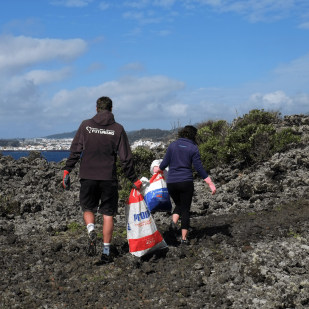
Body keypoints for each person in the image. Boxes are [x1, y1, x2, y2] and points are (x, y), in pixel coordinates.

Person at [62, 96, 142, 263]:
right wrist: (134, 179)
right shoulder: (118, 129)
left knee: (88, 208)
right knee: (107, 214)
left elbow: (76, 150)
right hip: (108, 177)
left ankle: (91, 229)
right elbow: (125, 158)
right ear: (111, 109)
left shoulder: (85, 125)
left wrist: (67, 169)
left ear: (96, 108)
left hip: (88, 175)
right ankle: (106, 251)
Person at [157, 125, 216, 245]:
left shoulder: (173, 145)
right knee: (185, 209)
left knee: (179, 204)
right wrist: (210, 182)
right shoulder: (193, 147)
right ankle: (184, 239)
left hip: (172, 183)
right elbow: (199, 168)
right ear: (193, 135)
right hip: (186, 182)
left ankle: (173, 223)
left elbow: (164, 164)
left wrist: (157, 170)